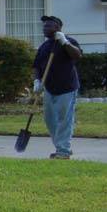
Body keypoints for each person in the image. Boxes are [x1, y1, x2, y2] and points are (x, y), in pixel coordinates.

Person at [32, 15, 82, 159]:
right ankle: (61, 146)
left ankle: (63, 150)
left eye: (48, 26)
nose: (45, 28)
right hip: (49, 88)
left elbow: (77, 55)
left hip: (67, 87)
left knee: (64, 118)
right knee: (50, 119)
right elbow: (36, 66)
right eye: (44, 26)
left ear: (58, 28)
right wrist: (37, 81)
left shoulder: (69, 42)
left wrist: (64, 42)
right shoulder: (44, 46)